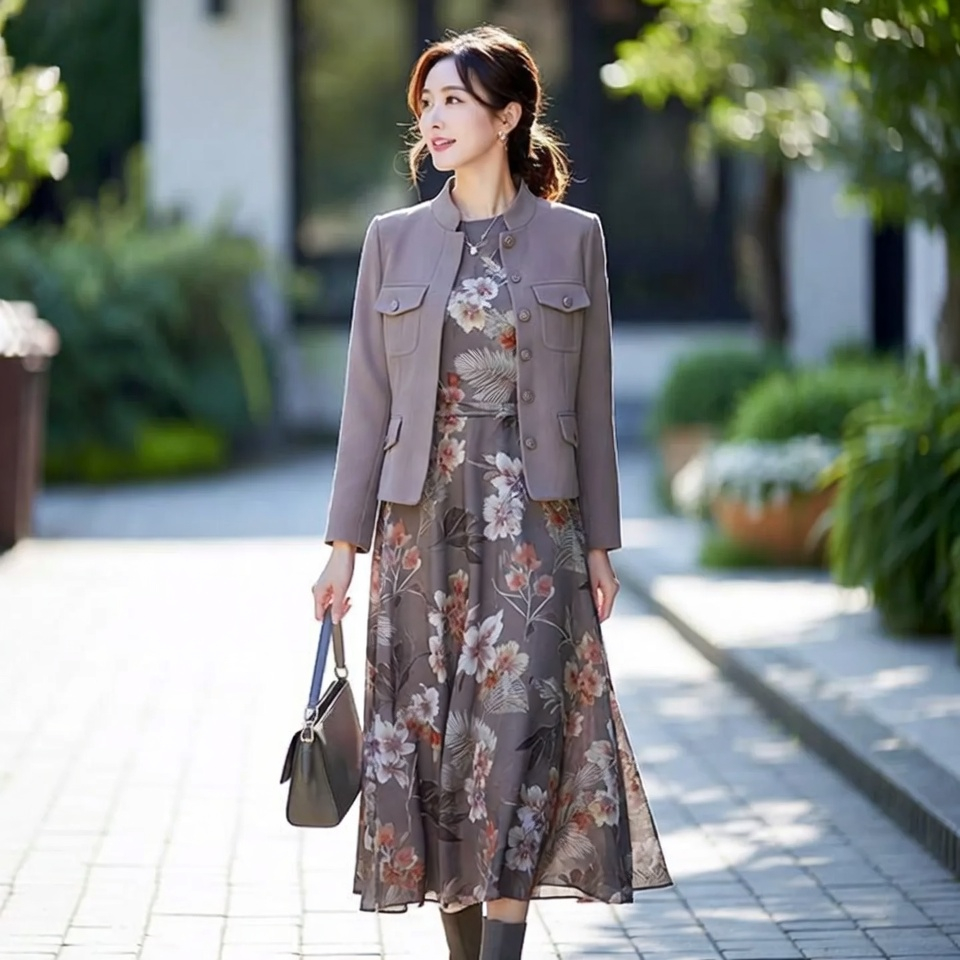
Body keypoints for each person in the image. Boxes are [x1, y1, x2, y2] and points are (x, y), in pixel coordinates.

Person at [311, 24, 672, 960]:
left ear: (508, 116)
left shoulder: (573, 239)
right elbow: (366, 402)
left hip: (536, 529)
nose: (434, 119)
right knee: (435, 754)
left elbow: (593, 406)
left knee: (516, 744)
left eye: (456, 101)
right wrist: (341, 548)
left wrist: (600, 546)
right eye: (427, 103)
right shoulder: (391, 242)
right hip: (416, 532)